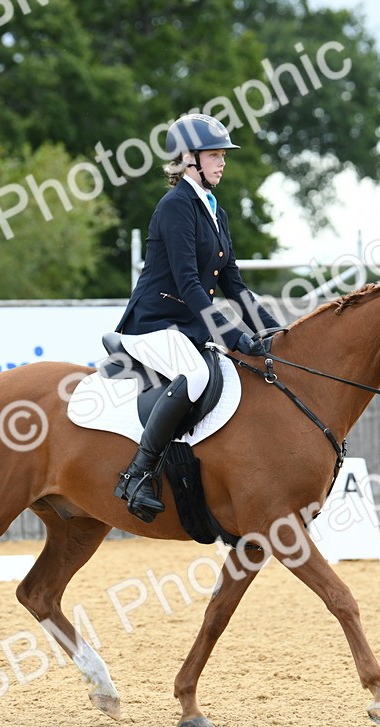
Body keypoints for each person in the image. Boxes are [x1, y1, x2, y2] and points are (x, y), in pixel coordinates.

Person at [112, 113, 281, 523]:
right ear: (189, 159)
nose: (222, 163)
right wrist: (236, 335)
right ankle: (138, 472)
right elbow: (188, 284)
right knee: (198, 375)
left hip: (187, 326)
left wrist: (271, 328)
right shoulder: (175, 206)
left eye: (223, 155)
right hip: (153, 323)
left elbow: (234, 283)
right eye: (215, 156)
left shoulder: (214, 210)